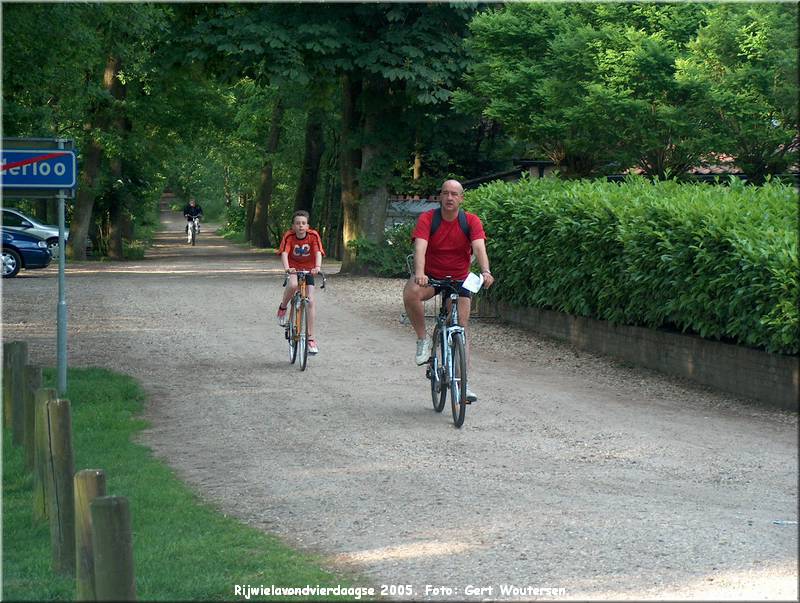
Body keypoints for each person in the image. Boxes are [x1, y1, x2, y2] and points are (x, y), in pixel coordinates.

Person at [402, 179, 495, 402]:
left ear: (461, 198)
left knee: (461, 329)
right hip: (431, 277)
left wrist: (485, 271)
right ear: (440, 197)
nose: (450, 197)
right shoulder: (428, 219)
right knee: (411, 293)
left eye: (454, 194)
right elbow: (420, 247)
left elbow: (479, 246)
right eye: (445, 193)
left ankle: (463, 385)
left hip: (460, 279)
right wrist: (420, 273)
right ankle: (423, 339)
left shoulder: (470, 221)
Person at [276, 210, 324, 354]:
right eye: (297, 223)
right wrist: (287, 269)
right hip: (293, 268)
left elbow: (318, 252)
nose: (300, 226)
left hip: (309, 269)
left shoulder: (313, 236)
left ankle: (310, 339)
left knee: (310, 301)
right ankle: (283, 308)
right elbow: (284, 253)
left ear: (307, 225)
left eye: (303, 223)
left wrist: (317, 267)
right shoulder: (289, 236)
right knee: (293, 285)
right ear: (293, 226)